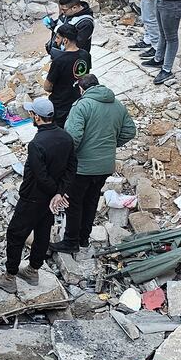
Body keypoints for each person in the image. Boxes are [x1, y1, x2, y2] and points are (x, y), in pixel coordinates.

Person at [0, 98, 76, 293]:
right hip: (51, 200)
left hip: (33, 197)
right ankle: (33, 270)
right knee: (42, 232)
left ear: (37, 117)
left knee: (15, 234)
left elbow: (41, 176)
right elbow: (72, 168)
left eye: (32, 114)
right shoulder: (66, 137)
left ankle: (10, 276)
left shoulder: (37, 144)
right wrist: (59, 193)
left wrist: (54, 193)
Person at [60, 74, 135, 255]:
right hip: (104, 166)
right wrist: (110, 144)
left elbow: (73, 137)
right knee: (91, 201)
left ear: (81, 88)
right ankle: (84, 238)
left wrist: (65, 159)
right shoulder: (117, 105)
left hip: (83, 166)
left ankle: (71, 241)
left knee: (74, 203)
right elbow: (130, 131)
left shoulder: (82, 106)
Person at [42, 22, 89, 125]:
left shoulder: (59, 60)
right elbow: (85, 76)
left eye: (58, 38)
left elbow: (47, 87)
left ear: (65, 40)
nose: (56, 41)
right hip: (78, 101)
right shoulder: (85, 55)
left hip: (60, 105)